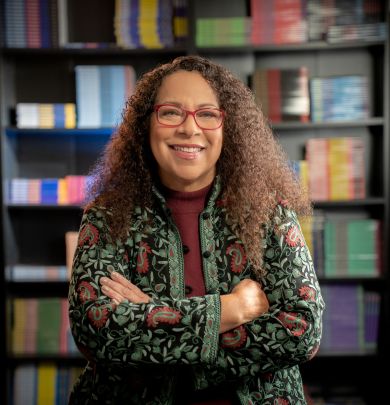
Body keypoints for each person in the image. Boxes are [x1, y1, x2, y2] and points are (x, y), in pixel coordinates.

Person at [68, 55, 324, 405]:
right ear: (147, 123)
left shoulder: (271, 213)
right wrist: (230, 310)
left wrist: (155, 319)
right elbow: (94, 331)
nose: (189, 129)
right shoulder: (107, 215)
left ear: (226, 126)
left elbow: (302, 331)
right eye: (171, 112)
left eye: (206, 114)